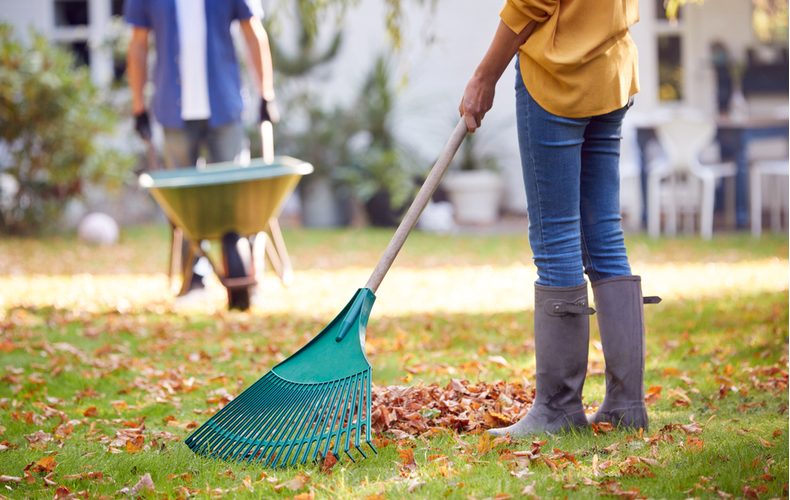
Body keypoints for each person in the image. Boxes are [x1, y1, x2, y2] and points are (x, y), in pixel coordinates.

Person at [459, 0, 659, 436]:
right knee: (605, 235)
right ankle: (626, 405)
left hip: (558, 76)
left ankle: (558, 408)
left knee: (557, 240)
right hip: (611, 71)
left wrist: (483, 76)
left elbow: (533, 3)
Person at [124, 0, 278, 303]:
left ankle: (245, 275)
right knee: (185, 202)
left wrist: (266, 94)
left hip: (225, 104)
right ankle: (194, 278)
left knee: (237, 196)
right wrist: (138, 105)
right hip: (174, 110)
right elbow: (138, 44)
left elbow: (253, 33)